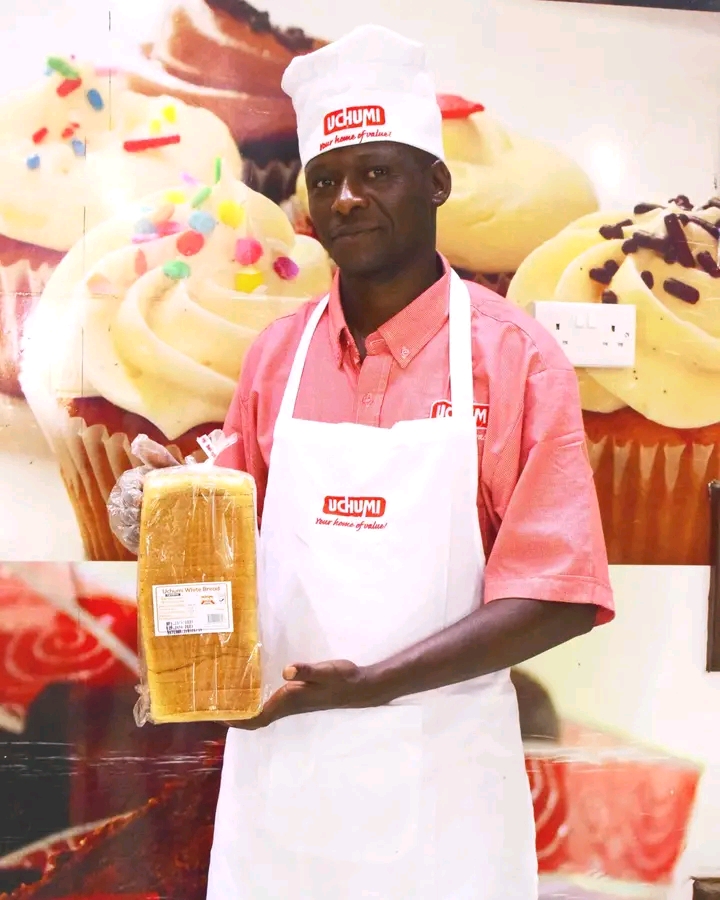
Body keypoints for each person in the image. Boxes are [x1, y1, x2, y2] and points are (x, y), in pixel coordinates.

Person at [110, 23, 614, 899]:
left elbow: (558, 595)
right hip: (281, 790)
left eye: (376, 173)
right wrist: (164, 507)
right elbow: (226, 546)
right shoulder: (277, 356)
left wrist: (371, 685)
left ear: (436, 182)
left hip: (442, 797)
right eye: (327, 180)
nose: (346, 199)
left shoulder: (515, 360)